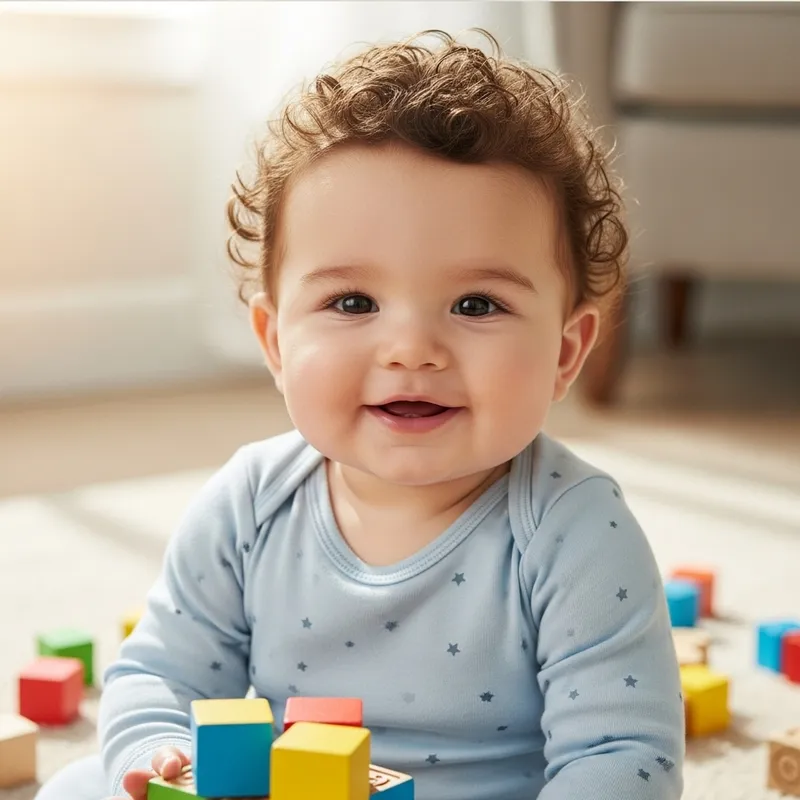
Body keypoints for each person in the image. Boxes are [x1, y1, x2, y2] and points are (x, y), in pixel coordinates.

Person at [35, 29, 683, 800]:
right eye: (353, 302)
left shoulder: (575, 531)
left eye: (477, 304)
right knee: (80, 785)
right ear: (275, 341)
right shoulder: (250, 501)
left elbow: (622, 755)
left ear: (567, 352)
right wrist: (163, 750)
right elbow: (162, 671)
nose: (411, 348)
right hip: (289, 790)